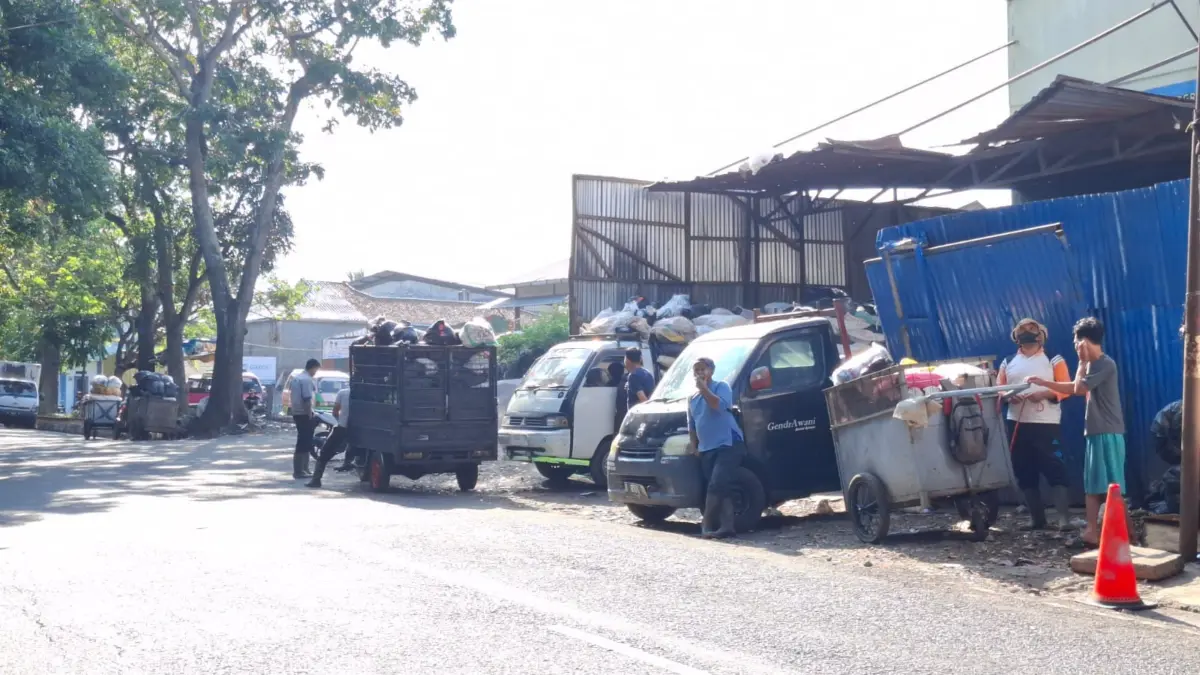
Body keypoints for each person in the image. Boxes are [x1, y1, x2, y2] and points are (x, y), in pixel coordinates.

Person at [1028, 317, 1125, 547]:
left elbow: (1079, 388)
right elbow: (1073, 387)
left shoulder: (1105, 364)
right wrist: (1044, 383)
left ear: (1085, 342)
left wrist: (1081, 362)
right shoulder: (1092, 365)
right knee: (1093, 485)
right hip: (1095, 431)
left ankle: (1120, 532)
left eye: (1076, 341)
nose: (1074, 346)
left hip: (1107, 432)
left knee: (1112, 486)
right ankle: (1093, 531)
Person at [995, 318, 1072, 530]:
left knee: (1055, 468)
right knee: (1024, 470)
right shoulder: (1007, 361)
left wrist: (1046, 393)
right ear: (1016, 336)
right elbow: (999, 388)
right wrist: (1009, 396)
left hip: (1046, 423)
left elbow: (1066, 387)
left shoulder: (1054, 359)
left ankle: (1064, 519)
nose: (1026, 333)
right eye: (1022, 330)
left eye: (1031, 329)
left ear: (1041, 335)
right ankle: (1037, 519)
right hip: (1017, 422)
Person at [687, 357, 744, 539]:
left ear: (711, 370)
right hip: (706, 448)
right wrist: (695, 446)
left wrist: (704, 388)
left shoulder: (722, 387)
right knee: (722, 487)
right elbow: (692, 425)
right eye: (696, 369)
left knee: (716, 484)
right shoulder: (692, 398)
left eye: (703, 369)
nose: (700, 372)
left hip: (728, 444)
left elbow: (718, 406)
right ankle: (727, 527)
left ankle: (706, 525)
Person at [307, 385, 350, 488]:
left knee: (324, 454)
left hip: (343, 427)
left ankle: (316, 480)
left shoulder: (343, 392)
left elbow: (335, 411)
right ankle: (349, 462)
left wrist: (341, 421)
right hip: (361, 429)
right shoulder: (368, 393)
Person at [290, 359, 320, 479]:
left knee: (306, 440)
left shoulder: (297, 378)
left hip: (297, 412)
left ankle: (305, 468)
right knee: (303, 441)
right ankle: (299, 470)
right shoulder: (306, 380)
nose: (316, 372)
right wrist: (310, 414)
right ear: (312, 368)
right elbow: (307, 399)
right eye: (316, 370)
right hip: (304, 413)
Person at [623, 347, 655, 413]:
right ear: (640, 359)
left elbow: (643, 398)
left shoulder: (633, 376)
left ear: (627, 360)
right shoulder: (647, 373)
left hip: (638, 415)